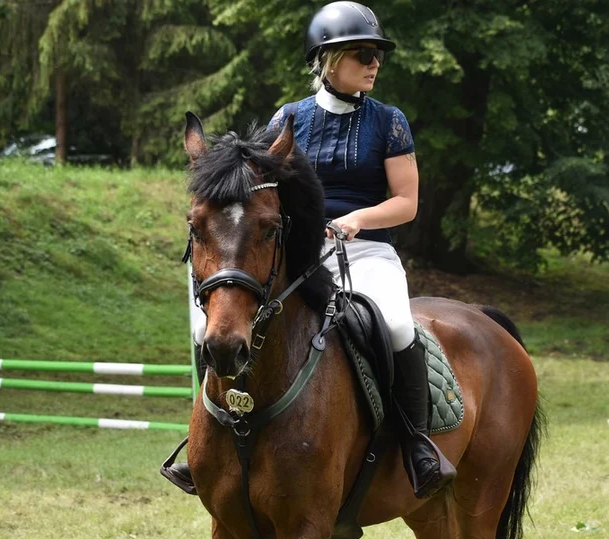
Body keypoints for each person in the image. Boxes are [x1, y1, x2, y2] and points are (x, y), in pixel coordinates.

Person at [173, 1, 456, 499]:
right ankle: (207, 441)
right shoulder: (288, 120)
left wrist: (357, 220)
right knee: (209, 324)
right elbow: (254, 189)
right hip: (301, 255)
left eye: (378, 55)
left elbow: (407, 203)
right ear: (328, 59)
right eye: (363, 53)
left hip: (367, 252)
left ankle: (416, 445)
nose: (374, 64)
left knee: (393, 323)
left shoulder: (389, 122)